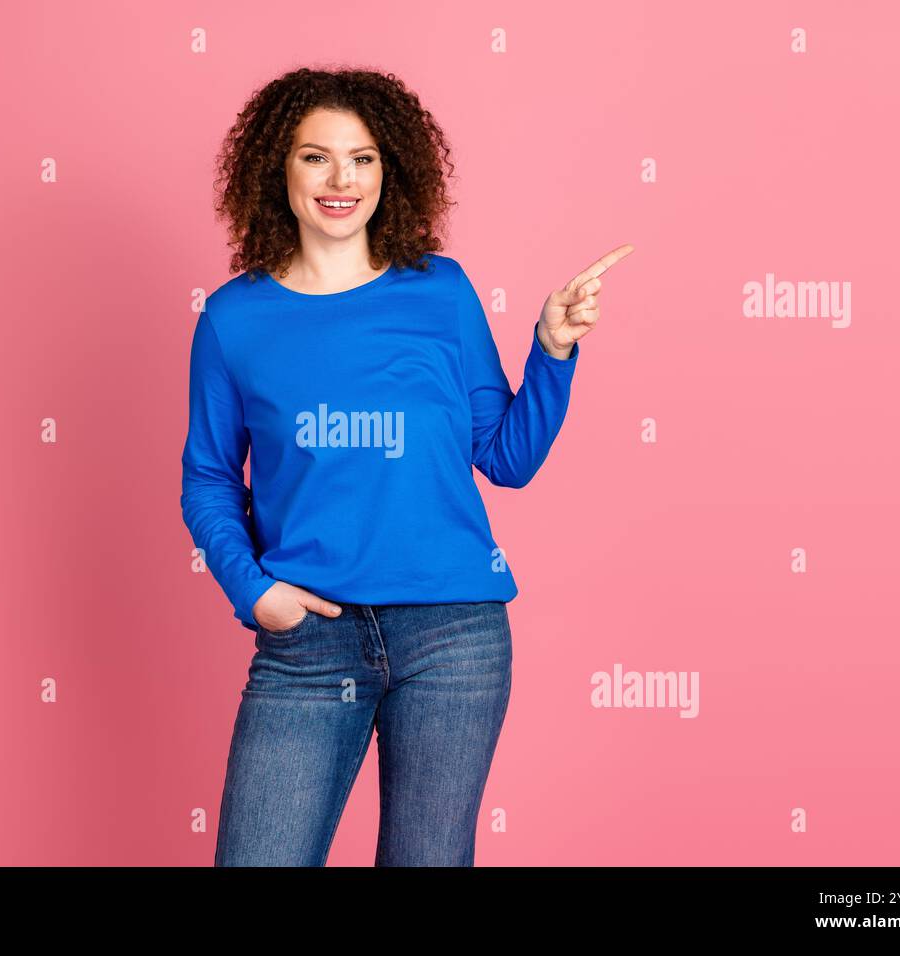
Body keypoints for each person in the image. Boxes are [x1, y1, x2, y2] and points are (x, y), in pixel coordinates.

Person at [181, 67, 633, 866]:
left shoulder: (441, 291)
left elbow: (507, 458)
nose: (340, 179)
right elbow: (210, 478)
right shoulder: (232, 321)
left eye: (362, 158)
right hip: (307, 645)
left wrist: (554, 348)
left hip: (453, 635)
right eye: (315, 157)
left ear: (390, 171)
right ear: (275, 170)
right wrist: (253, 592)